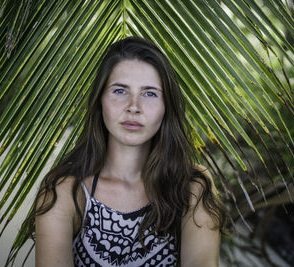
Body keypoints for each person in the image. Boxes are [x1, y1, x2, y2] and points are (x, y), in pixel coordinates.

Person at [32, 36, 226, 267]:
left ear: (166, 107)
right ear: (100, 99)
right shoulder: (65, 190)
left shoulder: (192, 186)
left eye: (150, 93)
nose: (134, 106)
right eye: (120, 91)